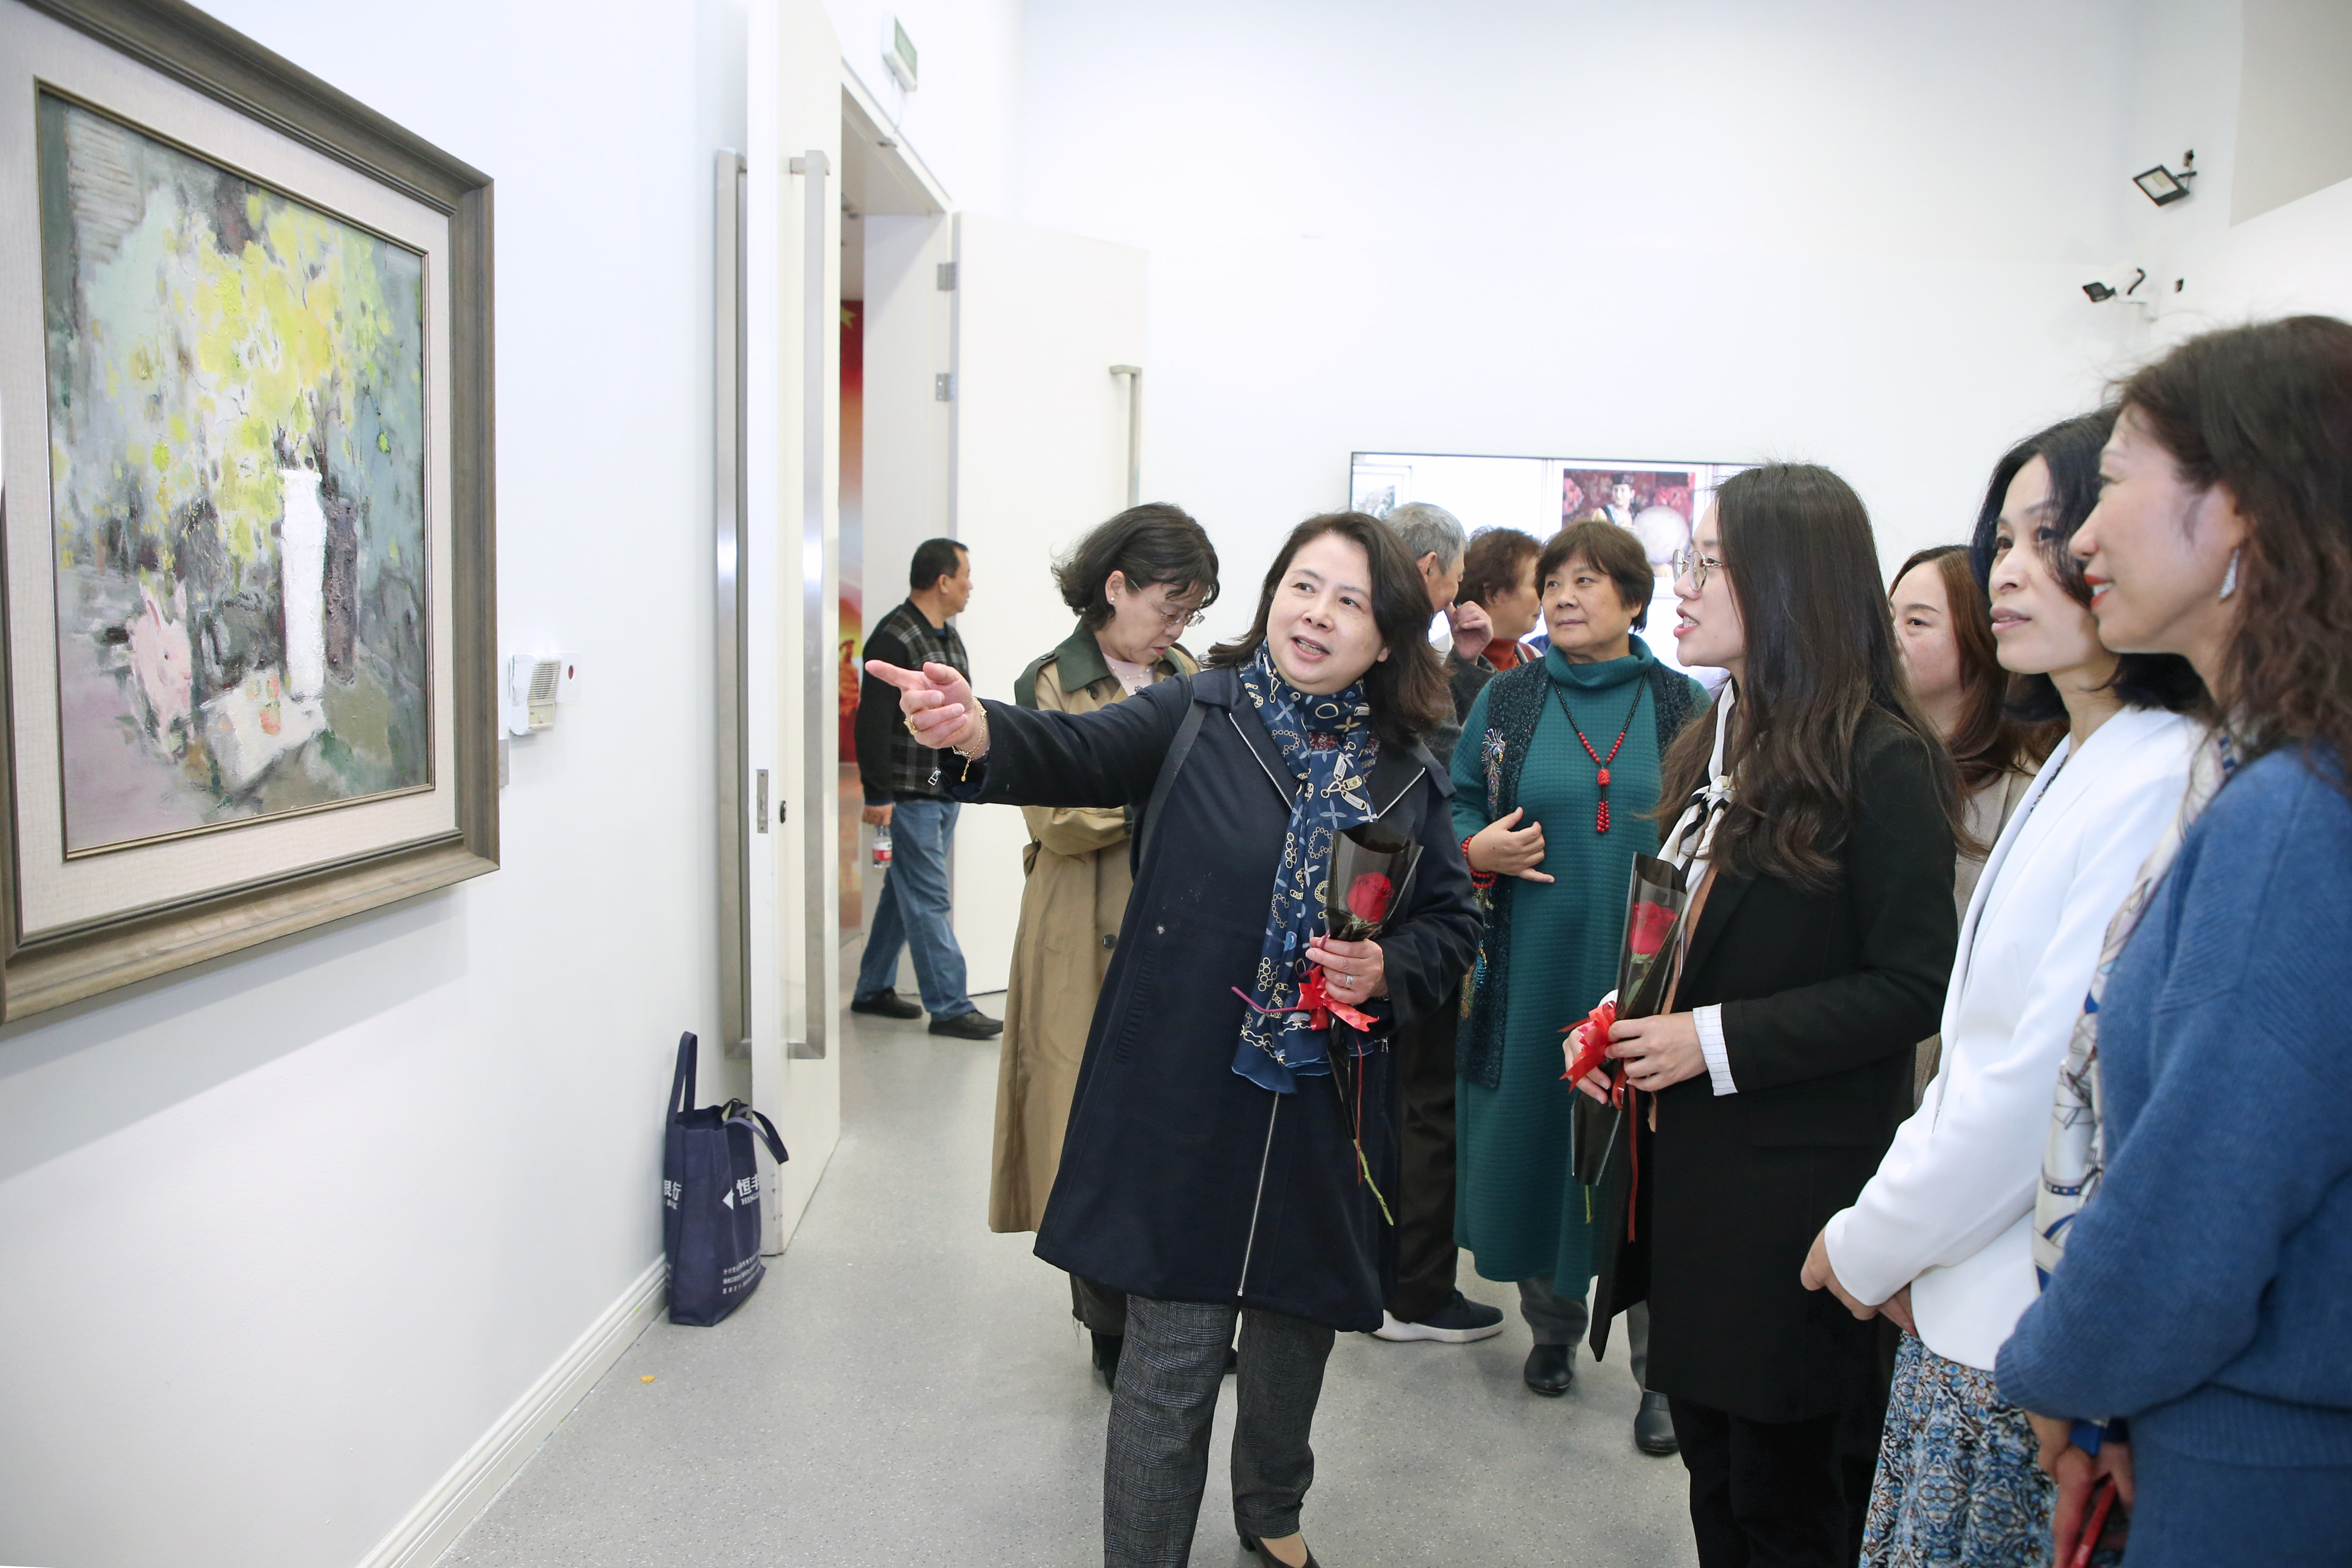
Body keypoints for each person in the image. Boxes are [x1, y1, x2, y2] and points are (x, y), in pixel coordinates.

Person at [869, 512, 1482, 1568]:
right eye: (1302, 585)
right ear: (1272, 597)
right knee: (1169, 1363)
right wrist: (974, 731)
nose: (1315, 614)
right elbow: (1072, 750)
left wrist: (1389, 967)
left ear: (1385, 637)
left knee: (1293, 1340)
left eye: (1348, 601)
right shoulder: (1201, 711)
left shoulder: (1404, 773)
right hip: (1184, 1092)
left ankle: (1272, 1510)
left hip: (1322, 1107)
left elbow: (1452, 923)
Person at [1799, 410, 2202, 1568]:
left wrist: (1870, 1240)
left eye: (2051, 533)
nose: (2011, 571)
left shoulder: (2157, 769)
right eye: (2004, 541)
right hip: (1963, 1284)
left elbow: (2039, 1081)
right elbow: (1978, 1046)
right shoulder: (2079, 751)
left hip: (2018, 1320)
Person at [1997, 317, 2352, 1567]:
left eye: (2115, 482)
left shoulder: (2291, 813)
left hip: (2268, 1453)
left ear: (2241, 504)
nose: (2082, 540)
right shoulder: (2275, 775)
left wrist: (2065, 1375)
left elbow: (2202, 1199)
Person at [1581, 464, 1962, 1567]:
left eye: (1710, 563)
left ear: (1791, 582)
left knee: (1785, 1500)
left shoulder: (1879, 758)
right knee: (1716, 1480)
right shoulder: (1718, 733)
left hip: (1790, 1200)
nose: (1684, 584)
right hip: (1692, 1187)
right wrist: (1624, 1016)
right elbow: (1697, 931)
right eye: (1688, 560)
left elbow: (1909, 985)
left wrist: (1706, 1040)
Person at [1448, 520, 1703, 1456]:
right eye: (1552, 581)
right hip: (1529, 971)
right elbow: (1457, 799)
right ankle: (1551, 1330)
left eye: (1586, 581)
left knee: (1646, 1167)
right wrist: (1477, 847)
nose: (1561, 596)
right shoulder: (1508, 697)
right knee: (1536, 1141)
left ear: (1633, 600)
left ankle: (1659, 1373)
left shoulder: (1681, 705)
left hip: (1644, 975)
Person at [991, 503, 1219, 1388]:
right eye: (1168, 606)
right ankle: (1105, 1322)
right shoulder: (1051, 680)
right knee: (1081, 1125)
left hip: (1177, 921)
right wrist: (1163, 795)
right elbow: (1058, 815)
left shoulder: (1191, 675)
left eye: (1190, 612)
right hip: (1076, 924)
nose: (1176, 628)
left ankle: (1171, 1320)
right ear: (1115, 587)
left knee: (1168, 1124)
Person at [1368, 503, 1513, 1349]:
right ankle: (1413, 1291)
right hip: (1408, 914)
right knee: (1424, 1102)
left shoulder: (1386, 646)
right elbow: (1442, 769)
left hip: (1370, 909)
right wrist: (1470, 847)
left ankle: (1382, 1278)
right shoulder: (1399, 656)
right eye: (1456, 581)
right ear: (1430, 570)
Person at [1888, 545, 2060, 1101]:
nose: (1889, 637)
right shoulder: (1872, 763)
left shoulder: (2027, 788)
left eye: (1915, 622)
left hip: (1963, 1081)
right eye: (1886, 617)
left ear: (1981, 638)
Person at [849, 538, 1001, 1039]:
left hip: (943, 787)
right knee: (929, 896)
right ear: (943, 581)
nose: (970, 585)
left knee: (905, 892)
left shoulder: (949, 640)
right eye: (965, 575)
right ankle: (950, 1006)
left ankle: (872, 988)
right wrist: (878, 794)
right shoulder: (893, 637)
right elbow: (871, 721)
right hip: (909, 794)